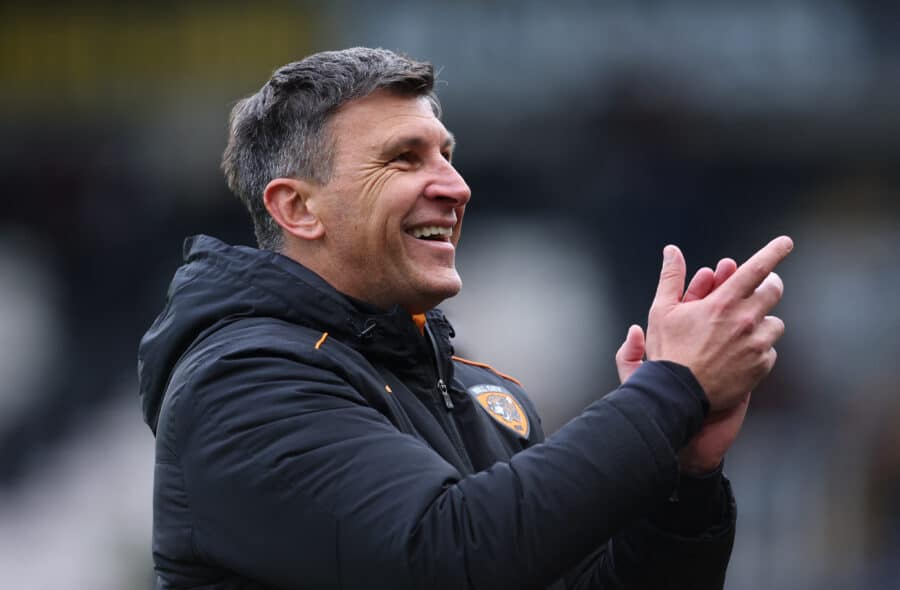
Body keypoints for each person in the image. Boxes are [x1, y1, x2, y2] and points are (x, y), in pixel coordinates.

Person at [138, 47, 792, 589]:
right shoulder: (242, 384)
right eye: (404, 158)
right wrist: (668, 390)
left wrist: (680, 477)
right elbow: (448, 558)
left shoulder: (479, 391)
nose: (454, 185)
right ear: (299, 209)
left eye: (446, 153)